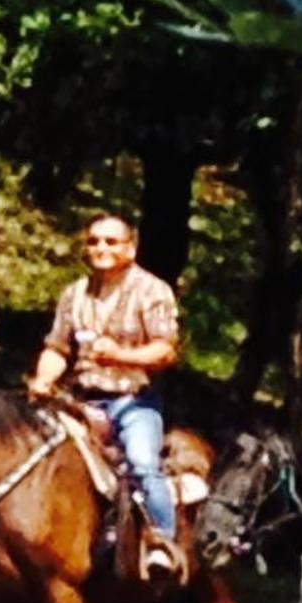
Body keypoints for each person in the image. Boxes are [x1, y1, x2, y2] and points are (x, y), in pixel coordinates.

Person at [27, 212, 181, 573]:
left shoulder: (152, 291)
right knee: (30, 457)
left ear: (131, 247)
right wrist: (43, 378)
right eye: (94, 241)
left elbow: (165, 350)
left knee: (143, 463)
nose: (101, 248)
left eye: (111, 241)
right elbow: (57, 348)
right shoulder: (74, 294)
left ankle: (162, 541)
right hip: (79, 401)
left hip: (133, 401)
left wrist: (119, 356)